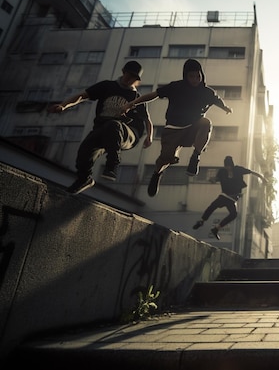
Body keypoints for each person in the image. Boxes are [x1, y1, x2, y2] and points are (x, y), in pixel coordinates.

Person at [123, 58, 232, 197]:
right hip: (173, 129)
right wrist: (132, 103)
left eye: (198, 76)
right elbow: (153, 95)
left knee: (206, 123)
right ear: (186, 76)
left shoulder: (207, 92)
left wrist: (226, 108)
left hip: (193, 129)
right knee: (166, 158)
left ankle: (195, 158)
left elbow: (218, 100)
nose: (195, 80)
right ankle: (157, 173)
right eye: (191, 76)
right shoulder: (175, 87)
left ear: (202, 75)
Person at [48, 61, 153, 194]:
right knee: (85, 150)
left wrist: (149, 137)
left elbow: (147, 120)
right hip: (102, 130)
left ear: (136, 80)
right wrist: (64, 106)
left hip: (129, 134)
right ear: (123, 72)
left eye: (133, 78)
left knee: (114, 125)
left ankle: (112, 165)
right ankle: (84, 179)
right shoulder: (107, 86)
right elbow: (82, 96)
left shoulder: (136, 97)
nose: (129, 79)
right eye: (128, 75)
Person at [192, 156, 266, 240]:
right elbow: (216, 179)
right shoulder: (222, 172)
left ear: (232, 165)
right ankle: (202, 221)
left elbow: (252, 172)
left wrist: (262, 178)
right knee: (213, 206)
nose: (228, 169)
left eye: (229, 167)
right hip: (224, 195)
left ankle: (216, 228)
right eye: (226, 167)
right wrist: (212, 180)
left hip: (233, 198)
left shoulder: (238, 169)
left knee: (234, 214)